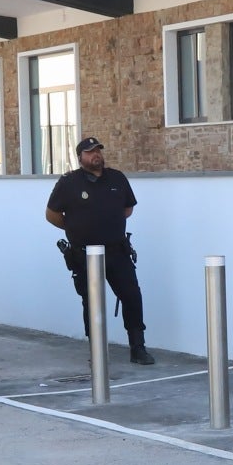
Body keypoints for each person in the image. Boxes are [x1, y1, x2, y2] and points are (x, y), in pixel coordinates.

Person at [44, 136, 153, 365]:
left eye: (98, 151)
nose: (96, 155)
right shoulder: (69, 183)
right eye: (90, 152)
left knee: (132, 296)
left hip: (117, 251)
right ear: (80, 157)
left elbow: (127, 209)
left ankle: (138, 348)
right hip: (85, 255)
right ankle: (97, 351)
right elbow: (51, 215)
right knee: (92, 302)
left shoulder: (117, 178)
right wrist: (74, 226)